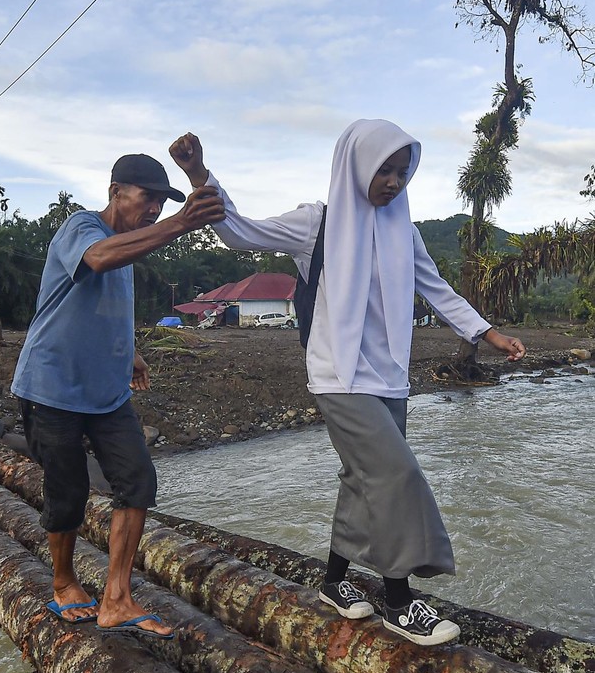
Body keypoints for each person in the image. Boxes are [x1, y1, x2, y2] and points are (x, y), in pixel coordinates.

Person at [169, 122, 526, 646]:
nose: (393, 181)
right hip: (338, 374)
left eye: (403, 172)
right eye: (384, 169)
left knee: (363, 479)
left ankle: (334, 582)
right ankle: (399, 602)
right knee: (395, 476)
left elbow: (437, 288)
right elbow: (239, 232)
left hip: (389, 377)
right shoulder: (318, 223)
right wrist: (200, 174)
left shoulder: (404, 229)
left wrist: (487, 333)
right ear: (357, 165)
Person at [11, 153, 225, 636]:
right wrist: (178, 223)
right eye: (147, 197)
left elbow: (113, 303)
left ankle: (117, 597)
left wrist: (132, 353)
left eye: (160, 202)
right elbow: (98, 259)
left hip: (106, 393)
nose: (153, 208)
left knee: (138, 481)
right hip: (51, 387)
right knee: (68, 491)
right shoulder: (81, 228)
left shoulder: (130, 248)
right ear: (116, 191)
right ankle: (64, 583)